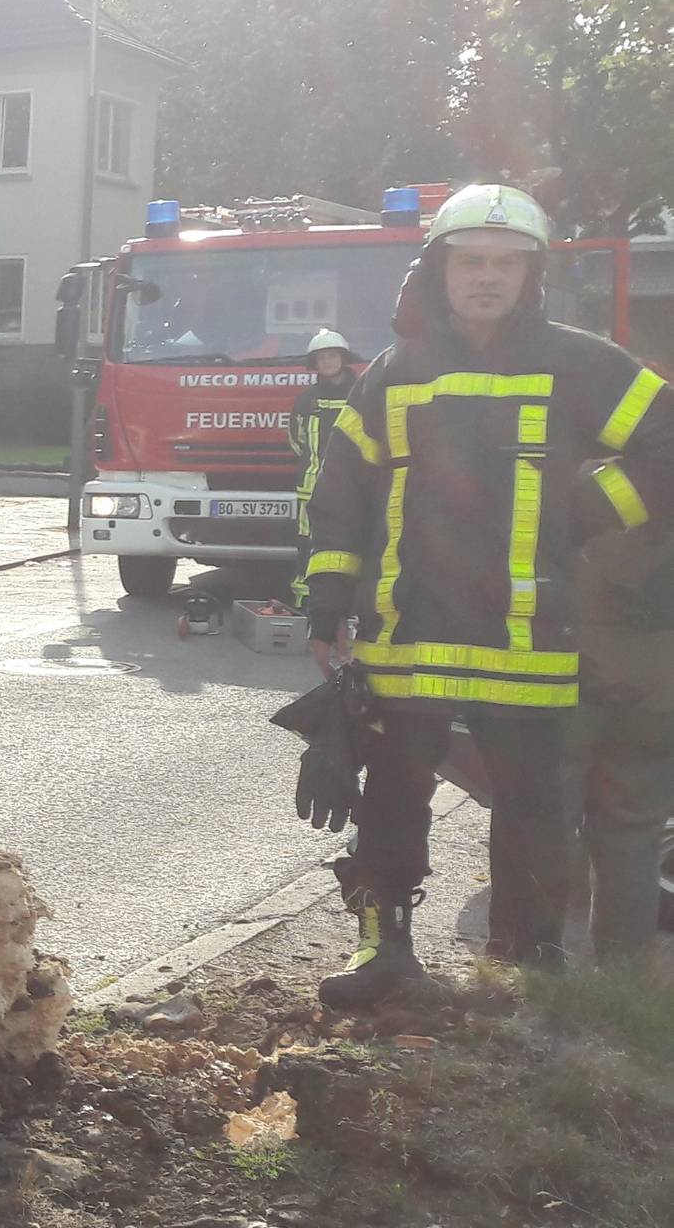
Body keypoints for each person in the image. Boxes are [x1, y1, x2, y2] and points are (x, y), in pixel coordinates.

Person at [301, 184, 673, 1007]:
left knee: (535, 809)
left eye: (508, 263)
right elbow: (340, 493)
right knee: (391, 799)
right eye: (471, 260)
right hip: (408, 631)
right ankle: (383, 952)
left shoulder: (577, 362)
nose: (488, 277)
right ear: (437, 269)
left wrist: (590, 509)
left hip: (527, 637)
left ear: (532, 276)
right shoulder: (393, 374)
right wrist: (327, 601)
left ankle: (526, 960)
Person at [567, 455, 674, 969]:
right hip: (656, 686)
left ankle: (529, 965)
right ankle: (621, 976)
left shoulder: (592, 478)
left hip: (576, 677)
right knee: (633, 830)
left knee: (545, 817)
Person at [288, 330, 362, 606]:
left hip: (352, 488)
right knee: (308, 543)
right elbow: (297, 441)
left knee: (349, 544)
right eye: (322, 358)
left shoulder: (361, 396)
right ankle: (305, 603)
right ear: (315, 364)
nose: (328, 362)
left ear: (343, 359)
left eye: (332, 356)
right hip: (312, 489)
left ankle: (347, 604)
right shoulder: (306, 401)